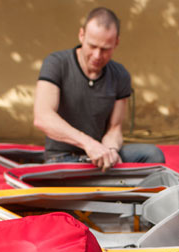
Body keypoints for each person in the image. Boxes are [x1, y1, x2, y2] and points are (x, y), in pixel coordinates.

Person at [33, 7, 165, 170]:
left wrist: (111, 150)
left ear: (116, 42)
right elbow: (43, 117)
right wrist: (88, 144)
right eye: (92, 46)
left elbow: (114, 128)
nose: (97, 55)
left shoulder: (120, 74)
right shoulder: (56, 63)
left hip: (100, 156)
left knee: (153, 154)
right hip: (63, 157)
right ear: (82, 35)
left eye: (105, 49)